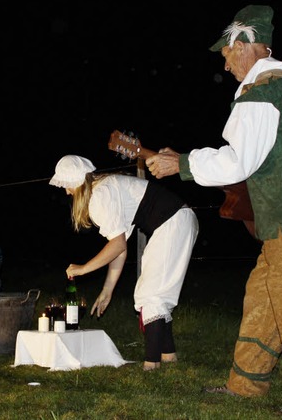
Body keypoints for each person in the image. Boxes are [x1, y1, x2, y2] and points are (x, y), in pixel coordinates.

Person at [145, 5, 282, 417]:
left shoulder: (263, 92)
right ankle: (246, 383)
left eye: (227, 51)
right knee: (265, 299)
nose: (224, 60)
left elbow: (239, 162)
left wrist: (182, 164)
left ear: (246, 44)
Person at [50, 155, 198, 371]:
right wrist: (107, 290)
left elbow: (117, 245)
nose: (66, 191)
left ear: (76, 181)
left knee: (150, 294)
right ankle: (167, 356)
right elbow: (119, 248)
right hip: (177, 220)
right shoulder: (105, 187)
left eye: (67, 185)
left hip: (173, 222)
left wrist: (83, 268)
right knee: (155, 292)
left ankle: (151, 364)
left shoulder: (99, 195)